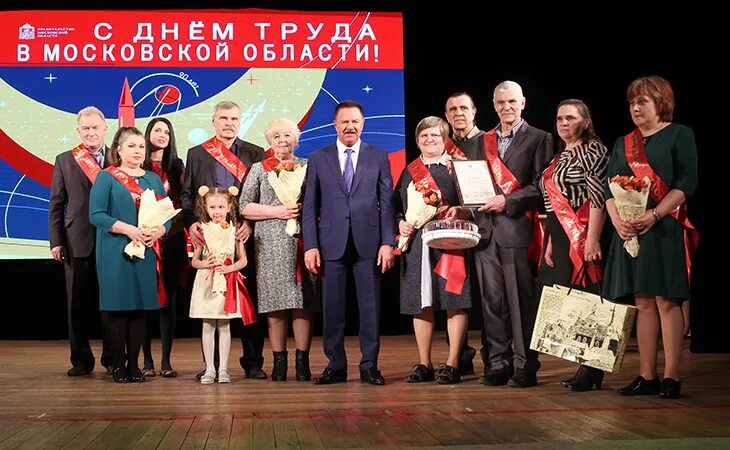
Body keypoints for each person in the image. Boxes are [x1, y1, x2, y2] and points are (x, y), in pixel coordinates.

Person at [448, 81, 553, 388]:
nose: (507, 107)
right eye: (501, 102)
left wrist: (509, 200)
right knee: (491, 302)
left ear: (523, 103)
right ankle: (497, 362)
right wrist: (464, 210)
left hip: (516, 229)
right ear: (493, 105)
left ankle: (525, 364)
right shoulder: (485, 140)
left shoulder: (539, 138)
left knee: (520, 302)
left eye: (512, 102)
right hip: (485, 232)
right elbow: (477, 185)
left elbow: (541, 186)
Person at [604, 76, 698, 399]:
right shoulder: (623, 142)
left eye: (642, 101)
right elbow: (610, 188)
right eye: (632, 102)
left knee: (664, 299)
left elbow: (686, 183)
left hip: (663, 227)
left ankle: (671, 375)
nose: (636, 107)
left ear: (661, 102)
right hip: (630, 231)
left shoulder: (679, 135)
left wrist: (654, 215)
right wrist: (618, 222)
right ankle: (648, 374)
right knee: (642, 301)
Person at [302, 100, 396, 385]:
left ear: (363, 124)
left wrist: (387, 242)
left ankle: (369, 365)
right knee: (332, 309)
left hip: (369, 243)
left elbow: (387, 203)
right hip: (331, 244)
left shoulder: (379, 156)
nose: (350, 126)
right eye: (344, 122)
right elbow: (310, 206)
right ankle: (336, 365)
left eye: (355, 121)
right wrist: (311, 245)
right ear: (335, 125)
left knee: (370, 309)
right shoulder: (318, 157)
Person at [180, 101, 268, 379]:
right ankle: (211, 367)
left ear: (240, 121)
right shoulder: (197, 154)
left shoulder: (255, 153)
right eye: (223, 118)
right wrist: (192, 223)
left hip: (243, 239)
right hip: (209, 243)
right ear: (213, 121)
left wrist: (251, 225)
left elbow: (263, 196)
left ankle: (252, 362)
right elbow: (186, 194)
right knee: (211, 305)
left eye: (234, 118)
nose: (229, 123)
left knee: (248, 301)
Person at [89, 127, 171, 383]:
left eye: (141, 147)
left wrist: (158, 231)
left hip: (145, 250)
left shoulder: (152, 179)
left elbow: (166, 215)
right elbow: (97, 215)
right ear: (119, 150)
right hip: (115, 251)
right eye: (132, 146)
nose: (138, 151)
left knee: (138, 310)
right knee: (117, 309)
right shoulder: (107, 177)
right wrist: (129, 229)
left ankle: (135, 365)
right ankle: (118, 365)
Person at [240, 118, 320, 382]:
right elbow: (245, 207)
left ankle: (302, 363)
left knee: (302, 304)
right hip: (270, 244)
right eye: (276, 136)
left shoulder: (309, 167)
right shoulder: (259, 169)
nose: (282, 139)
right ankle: (279, 363)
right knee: (274, 305)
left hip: (303, 243)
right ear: (269, 141)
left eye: (287, 135)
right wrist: (278, 211)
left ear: (295, 139)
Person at [394, 116, 471, 384]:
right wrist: (400, 222)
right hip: (417, 246)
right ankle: (424, 363)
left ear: (445, 141)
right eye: (424, 136)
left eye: (435, 136)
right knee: (420, 303)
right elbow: (397, 206)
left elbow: (472, 202)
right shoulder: (409, 171)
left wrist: (458, 211)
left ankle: (452, 363)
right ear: (417, 141)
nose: (429, 141)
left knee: (454, 301)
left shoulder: (457, 168)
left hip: (448, 242)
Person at [537, 99, 608, 391]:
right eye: (559, 118)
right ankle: (585, 366)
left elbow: (599, 196)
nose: (563, 123)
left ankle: (593, 369)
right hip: (560, 234)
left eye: (570, 118)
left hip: (582, 231)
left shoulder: (593, 150)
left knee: (589, 298)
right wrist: (553, 241)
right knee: (572, 300)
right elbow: (552, 203)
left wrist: (591, 238)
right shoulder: (559, 156)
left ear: (586, 121)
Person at [48, 106, 113, 376]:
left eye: (95, 127)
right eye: (85, 128)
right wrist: (56, 241)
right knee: (77, 305)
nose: (90, 133)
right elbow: (56, 204)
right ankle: (80, 360)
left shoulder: (119, 157)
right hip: (77, 240)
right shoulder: (65, 159)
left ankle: (112, 358)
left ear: (105, 129)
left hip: (113, 239)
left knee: (112, 303)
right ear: (78, 131)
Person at [140, 117, 186, 378]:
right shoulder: (139, 166)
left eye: (167, 131)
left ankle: (166, 361)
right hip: (145, 241)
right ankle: (146, 361)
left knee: (169, 302)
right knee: (147, 302)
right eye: (157, 130)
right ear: (148, 134)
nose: (162, 135)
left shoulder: (177, 166)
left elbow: (184, 205)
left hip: (172, 240)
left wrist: (168, 229)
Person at [189, 186, 249, 384]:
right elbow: (194, 261)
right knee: (207, 325)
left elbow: (243, 261)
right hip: (207, 281)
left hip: (226, 282)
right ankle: (210, 369)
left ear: (229, 207)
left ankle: (223, 369)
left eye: (221, 206)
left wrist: (230, 269)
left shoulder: (235, 231)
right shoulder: (201, 230)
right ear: (205, 207)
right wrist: (205, 264)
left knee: (224, 325)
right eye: (212, 207)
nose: (216, 211)